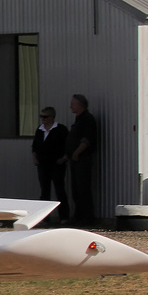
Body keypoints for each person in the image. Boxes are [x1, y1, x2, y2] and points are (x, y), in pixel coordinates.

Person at [61, 94, 97, 226]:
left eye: (73, 104)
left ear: (80, 105)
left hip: (82, 158)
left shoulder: (87, 119)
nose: (71, 106)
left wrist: (77, 152)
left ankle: (87, 217)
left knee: (83, 188)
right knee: (76, 189)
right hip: (74, 159)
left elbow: (87, 139)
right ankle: (78, 215)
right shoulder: (78, 119)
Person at [31, 106, 69, 223]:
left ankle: (64, 217)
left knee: (59, 190)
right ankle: (44, 217)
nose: (43, 119)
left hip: (56, 164)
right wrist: (35, 158)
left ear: (52, 117)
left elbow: (68, 145)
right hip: (43, 164)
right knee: (44, 191)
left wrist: (64, 158)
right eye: (41, 116)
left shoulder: (61, 129)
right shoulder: (40, 130)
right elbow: (35, 146)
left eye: (45, 117)